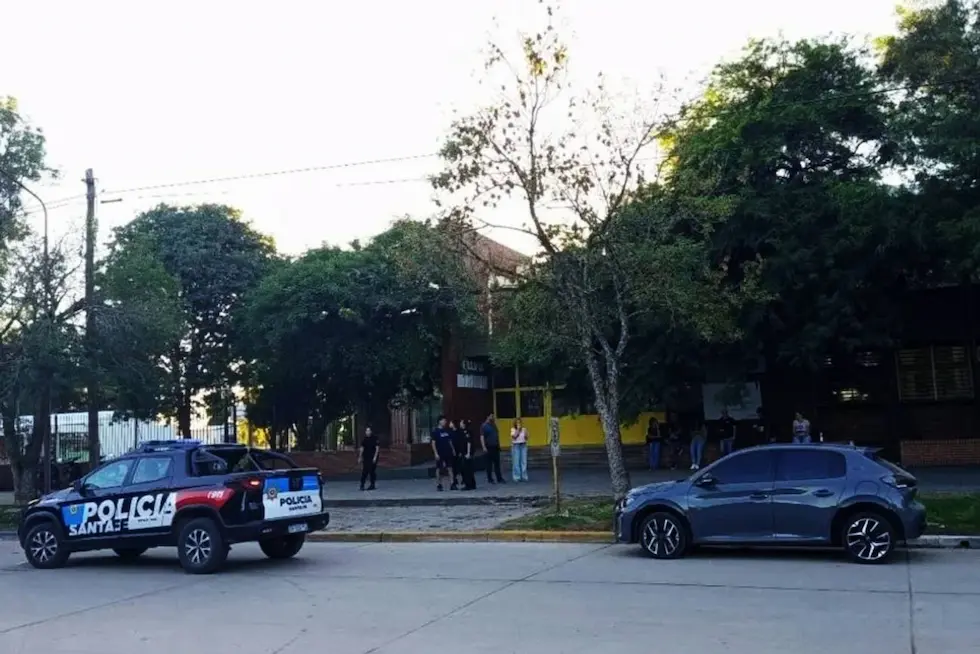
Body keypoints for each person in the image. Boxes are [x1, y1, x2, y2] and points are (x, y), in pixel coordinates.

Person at [430, 416, 456, 491]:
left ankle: (452, 484)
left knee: (450, 468)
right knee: (439, 469)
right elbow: (433, 443)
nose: (445, 422)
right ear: (440, 421)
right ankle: (439, 484)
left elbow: (450, 441)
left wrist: (453, 449)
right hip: (440, 452)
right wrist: (436, 453)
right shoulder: (435, 431)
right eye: (444, 421)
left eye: (445, 421)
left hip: (448, 452)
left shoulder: (447, 431)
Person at [481, 413, 505, 484]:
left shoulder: (494, 425)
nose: (493, 417)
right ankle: (490, 479)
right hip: (489, 447)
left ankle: (499, 478)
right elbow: (482, 437)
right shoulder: (484, 426)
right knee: (489, 464)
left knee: (497, 463)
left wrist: (499, 445)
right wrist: (484, 447)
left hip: (495, 446)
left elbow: (496, 435)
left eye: (493, 416)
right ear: (487, 417)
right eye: (491, 416)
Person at [450, 419, 471, 490]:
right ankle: (456, 479)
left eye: (461, 423)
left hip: (462, 452)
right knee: (455, 467)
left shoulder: (462, 432)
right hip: (456, 452)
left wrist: (465, 452)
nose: (460, 424)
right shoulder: (451, 432)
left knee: (463, 467)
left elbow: (467, 442)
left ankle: (466, 481)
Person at [359, 426, 379, 491]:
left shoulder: (375, 438)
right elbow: (362, 448)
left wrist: (375, 457)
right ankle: (362, 484)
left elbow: (377, 449)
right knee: (364, 471)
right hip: (366, 457)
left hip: (372, 457)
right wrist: (360, 457)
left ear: (371, 431)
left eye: (368, 430)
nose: (367, 432)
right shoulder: (364, 439)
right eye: (366, 431)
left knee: (372, 471)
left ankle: (372, 484)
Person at [458, 419, 477, 490]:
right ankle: (472, 484)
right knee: (468, 469)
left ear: (464, 424)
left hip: (467, 454)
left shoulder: (467, 431)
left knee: (466, 469)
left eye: (461, 422)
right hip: (464, 453)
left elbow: (469, 442)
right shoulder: (462, 431)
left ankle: (468, 485)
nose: (460, 424)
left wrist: (468, 453)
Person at [510, 417, 529, 482]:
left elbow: (526, 438)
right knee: (516, 462)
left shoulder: (524, 429)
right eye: (517, 422)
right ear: (515, 423)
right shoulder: (513, 429)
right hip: (516, 446)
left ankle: (524, 476)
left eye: (520, 422)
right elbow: (514, 437)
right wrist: (518, 430)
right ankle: (516, 477)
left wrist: (526, 434)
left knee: (524, 461)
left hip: (523, 445)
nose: (519, 424)